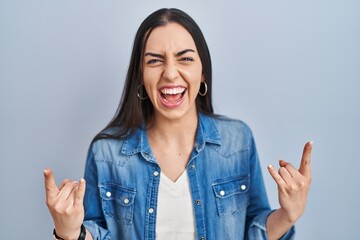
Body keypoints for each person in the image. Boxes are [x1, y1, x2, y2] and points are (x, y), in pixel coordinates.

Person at [44, 8, 312, 240]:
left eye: (185, 58)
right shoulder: (107, 152)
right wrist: (69, 232)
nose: (170, 73)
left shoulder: (237, 140)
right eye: (154, 61)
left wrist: (288, 214)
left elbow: (254, 232)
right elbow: (97, 233)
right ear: (140, 75)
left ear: (203, 70)